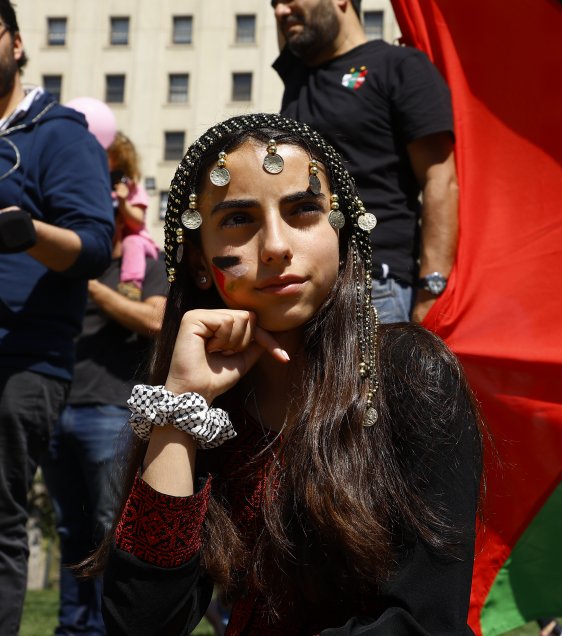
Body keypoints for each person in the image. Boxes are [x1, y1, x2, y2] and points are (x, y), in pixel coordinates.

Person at [87, 113, 483, 635]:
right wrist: (180, 408)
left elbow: (425, 622)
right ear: (200, 261)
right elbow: (141, 624)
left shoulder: (413, 374)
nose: (275, 245)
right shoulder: (211, 404)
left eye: (303, 211)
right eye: (238, 218)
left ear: (341, 233)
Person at [0, 1, 114, 632]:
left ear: (16, 43)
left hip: (21, 360)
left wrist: (24, 231)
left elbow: (93, 246)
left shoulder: (58, 133)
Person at [272, 0, 459, 324]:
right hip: (302, 285)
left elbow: (440, 180)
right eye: (273, 4)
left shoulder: (400, 66)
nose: (279, 11)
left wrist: (432, 290)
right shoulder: (298, 79)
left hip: (376, 286)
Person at [41, 186, 167, 633]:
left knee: (109, 529)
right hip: (56, 410)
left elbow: (157, 320)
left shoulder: (146, 262)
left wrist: (92, 285)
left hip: (111, 412)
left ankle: (108, 626)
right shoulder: (59, 265)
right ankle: (73, 628)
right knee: (70, 531)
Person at [107, 131, 159, 300]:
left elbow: (137, 221)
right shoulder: (103, 188)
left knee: (132, 242)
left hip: (138, 242)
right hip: (114, 244)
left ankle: (131, 285)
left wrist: (123, 203)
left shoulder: (133, 189)